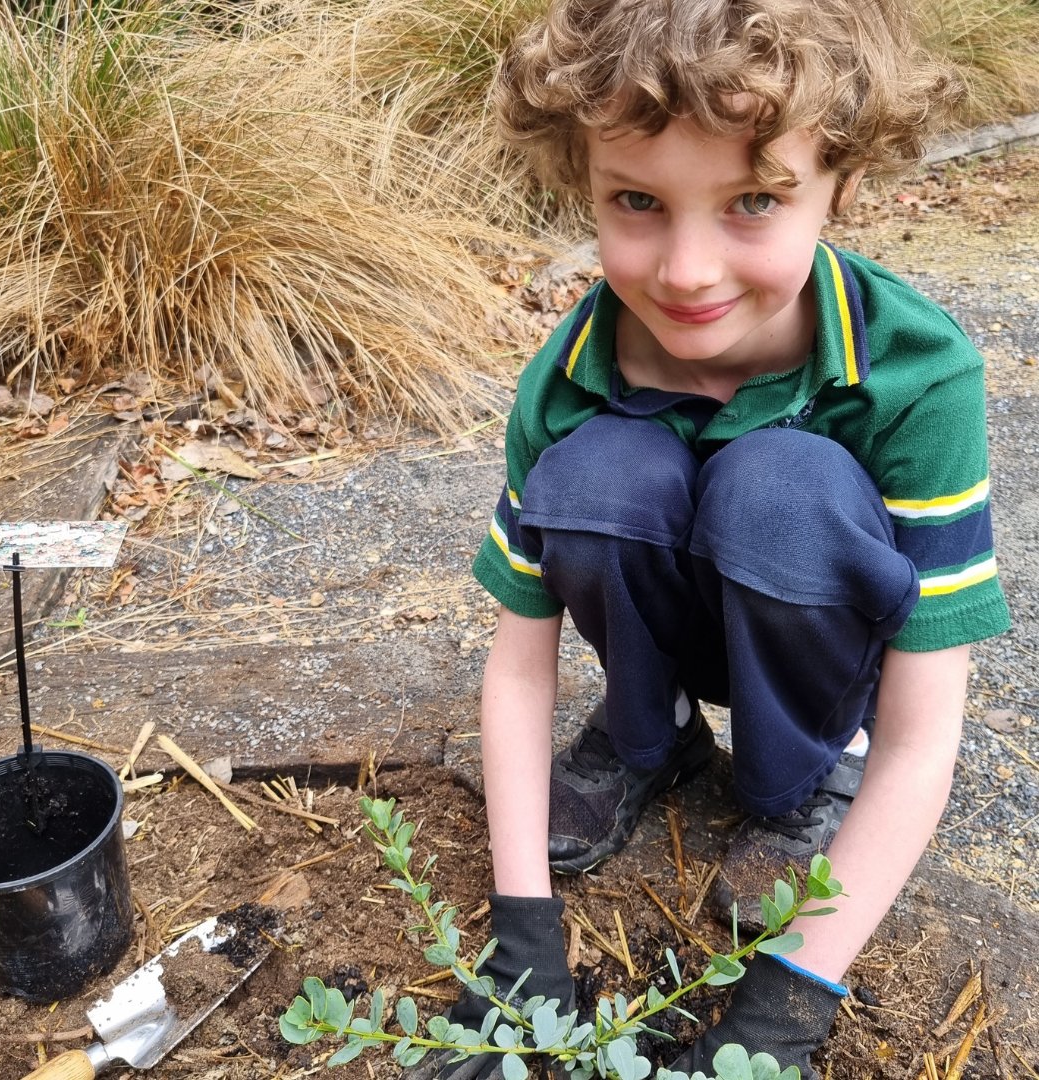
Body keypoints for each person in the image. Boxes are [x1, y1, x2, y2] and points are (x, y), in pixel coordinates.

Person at [409, 0, 1012, 1077]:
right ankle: (654, 735)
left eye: (754, 201)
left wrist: (790, 1004)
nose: (687, 272)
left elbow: (925, 736)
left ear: (842, 184)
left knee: (781, 490)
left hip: (819, 654)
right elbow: (517, 669)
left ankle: (796, 785)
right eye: (637, 200)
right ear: (582, 180)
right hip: (670, 608)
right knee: (597, 471)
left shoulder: (922, 376)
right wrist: (522, 936)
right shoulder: (568, 374)